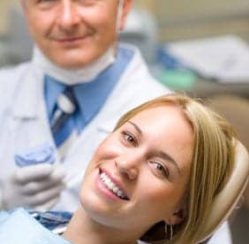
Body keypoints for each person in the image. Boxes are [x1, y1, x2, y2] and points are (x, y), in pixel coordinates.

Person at [0, 0, 169, 212]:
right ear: (26, 12)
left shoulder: (181, 128)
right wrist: (3, 204)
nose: (67, 20)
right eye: (46, 2)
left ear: (123, 8)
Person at [0, 94, 236, 244]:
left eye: (159, 167)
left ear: (178, 213)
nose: (125, 164)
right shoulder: (46, 223)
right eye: (129, 138)